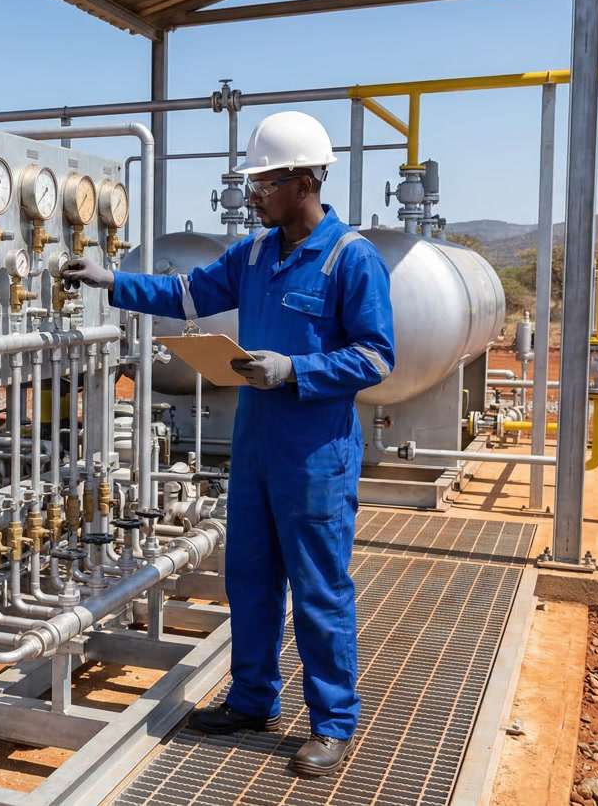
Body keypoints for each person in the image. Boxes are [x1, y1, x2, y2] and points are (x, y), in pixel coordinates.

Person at [59, 111, 394, 777]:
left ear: (304, 181)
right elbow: (187, 292)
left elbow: (376, 357)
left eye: (266, 181)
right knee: (248, 579)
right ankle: (251, 699)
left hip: (316, 455)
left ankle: (332, 724)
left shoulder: (349, 257)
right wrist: (110, 281)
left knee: (320, 590)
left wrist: (296, 369)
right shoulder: (254, 254)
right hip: (256, 448)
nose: (254, 194)